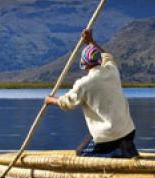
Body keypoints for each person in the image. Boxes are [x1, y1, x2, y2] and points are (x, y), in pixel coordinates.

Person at [45, 29, 139, 158]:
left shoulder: (84, 83)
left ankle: (115, 153)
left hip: (109, 136)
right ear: (99, 61)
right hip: (128, 131)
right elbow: (106, 56)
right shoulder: (112, 71)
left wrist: (50, 100)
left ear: (83, 63)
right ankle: (124, 148)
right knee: (96, 137)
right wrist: (91, 42)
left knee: (81, 153)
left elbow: (67, 103)